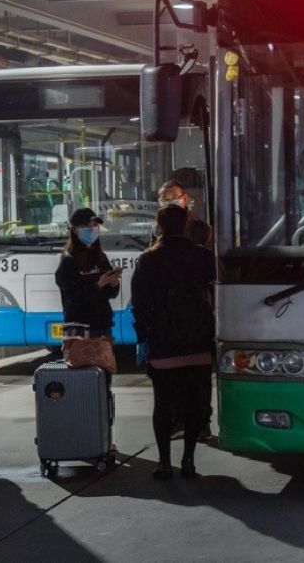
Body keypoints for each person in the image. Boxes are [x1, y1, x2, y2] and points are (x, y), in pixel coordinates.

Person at [131, 205, 216, 480]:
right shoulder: (203, 257)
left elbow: (139, 305)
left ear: (159, 226)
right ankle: (189, 460)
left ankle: (164, 463)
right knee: (193, 403)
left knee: (163, 404)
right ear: (186, 225)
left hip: (163, 342)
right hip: (197, 343)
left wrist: (142, 339)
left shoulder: (148, 259)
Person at [155, 176, 214, 440]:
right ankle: (179, 421)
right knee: (174, 376)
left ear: (185, 199)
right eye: (164, 199)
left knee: (199, 376)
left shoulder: (202, 230)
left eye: (174, 198)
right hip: (168, 318)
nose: (170, 202)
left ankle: (201, 422)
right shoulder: (156, 233)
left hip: (196, 314)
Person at [55, 208, 121, 358]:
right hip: (79, 328)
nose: (93, 229)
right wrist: (98, 285)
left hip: (102, 325)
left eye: (95, 225)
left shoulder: (100, 256)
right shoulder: (68, 260)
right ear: (75, 229)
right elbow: (74, 296)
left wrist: (113, 283)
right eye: (87, 226)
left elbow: (110, 294)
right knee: (81, 370)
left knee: (104, 369)